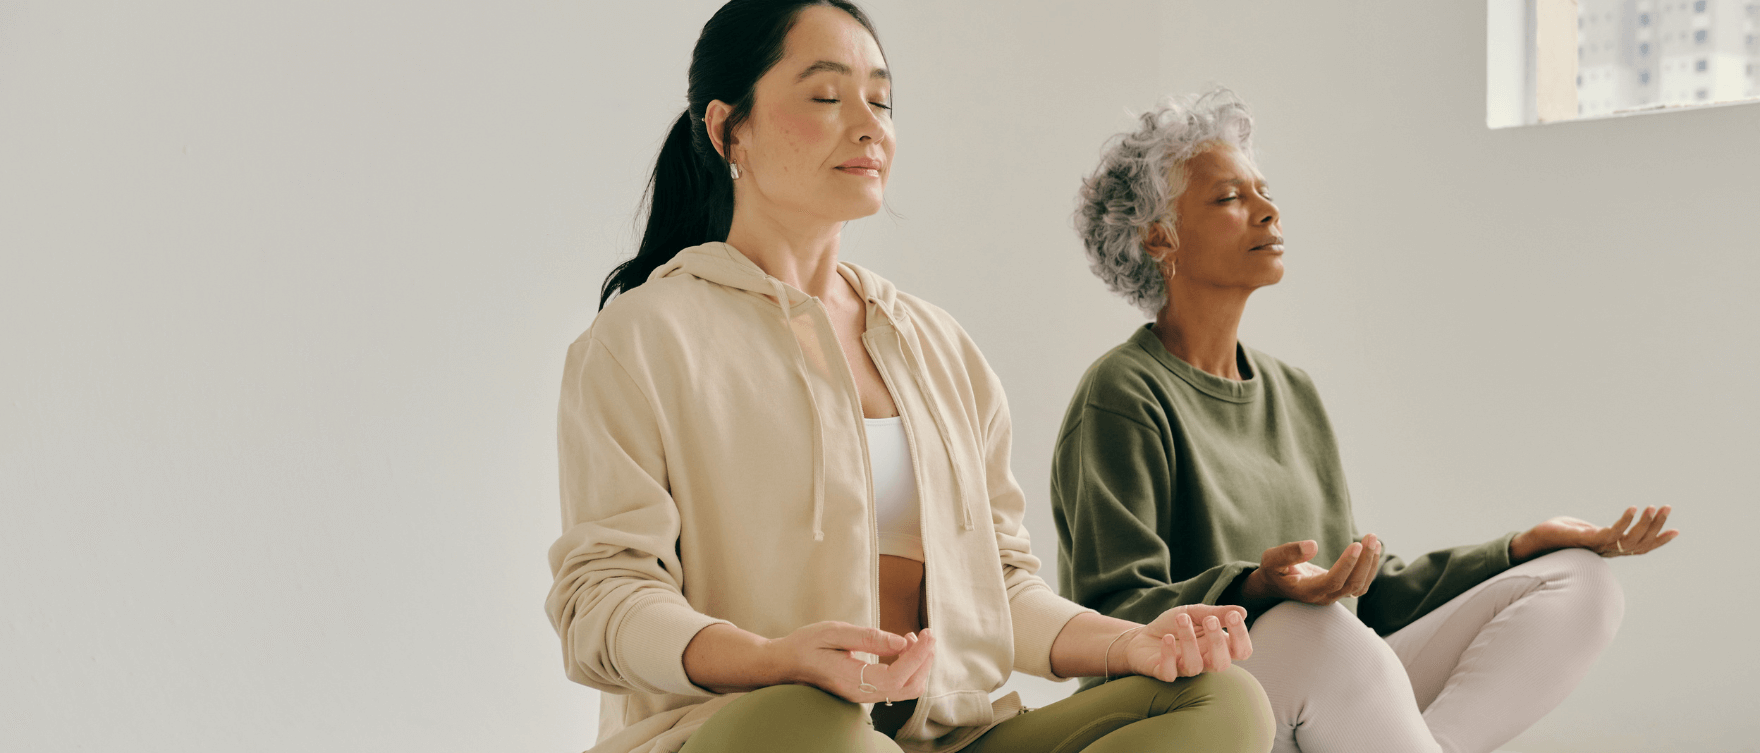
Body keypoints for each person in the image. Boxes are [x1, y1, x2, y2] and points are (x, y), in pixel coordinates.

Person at [546, 5, 1275, 753]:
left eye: (882, 101)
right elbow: (604, 599)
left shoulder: (938, 347)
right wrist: (771, 660)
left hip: (947, 737)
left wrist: (1132, 645)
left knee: (1221, 700)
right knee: (813, 717)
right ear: (729, 128)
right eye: (827, 97)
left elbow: (1003, 588)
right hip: (755, 731)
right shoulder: (640, 339)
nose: (868, 125)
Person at [1053, 89, 1680, 753]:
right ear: (1160, 238)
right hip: (1195, 707)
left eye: (1263, 191)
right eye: (1230, 198)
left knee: (1580, 581)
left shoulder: (1294, 392)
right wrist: (1255, 587)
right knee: (1311, 627)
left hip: (1329, 686)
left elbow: (1367, 593)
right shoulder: (1123, 393)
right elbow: (1112, 613)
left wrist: (1522, 546)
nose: (1268, 210)